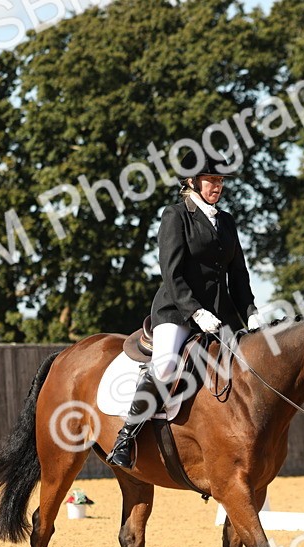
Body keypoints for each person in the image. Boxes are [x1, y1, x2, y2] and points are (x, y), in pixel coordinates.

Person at [105, 153, 260, 468]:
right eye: (211, 179)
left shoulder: (226, 221)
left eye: (220, 180)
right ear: (192, 181)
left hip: (222, 316)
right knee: (164, 367)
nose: (217, 186)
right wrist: (196, 312)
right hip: (177, 311)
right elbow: (171, 273)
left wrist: (252, 312)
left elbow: (238, 276)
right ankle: (126, 438)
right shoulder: (176, 215)